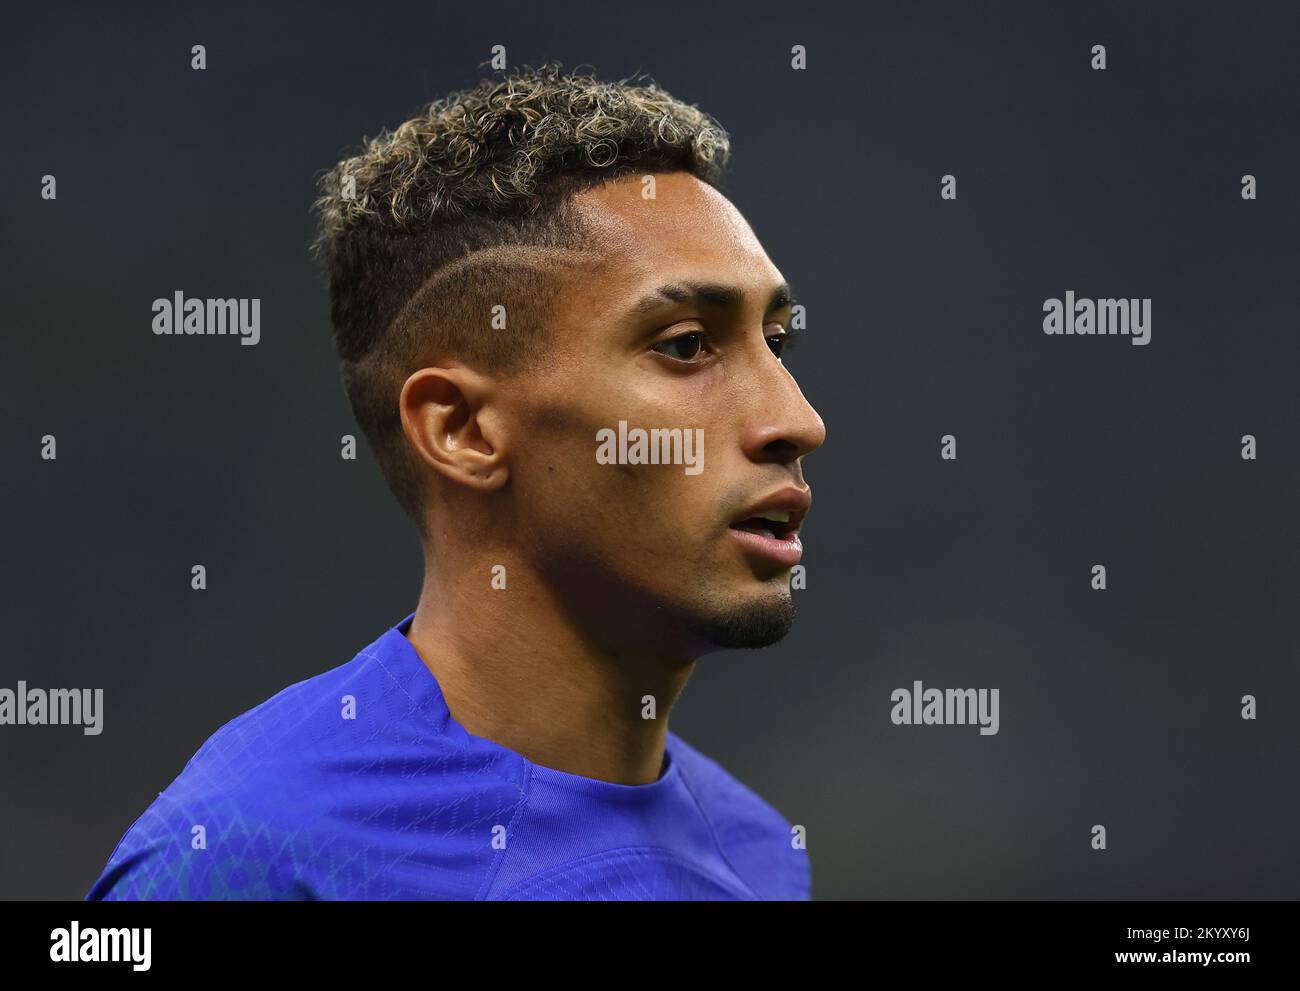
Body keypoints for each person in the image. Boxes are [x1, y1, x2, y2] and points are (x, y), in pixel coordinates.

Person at [88, 62, 825, 900]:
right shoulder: (248, 854)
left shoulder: (757, 852)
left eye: (777, 342)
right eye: (687, 344)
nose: (797, 420)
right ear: (462, 430)